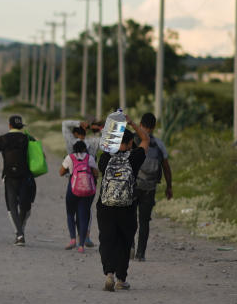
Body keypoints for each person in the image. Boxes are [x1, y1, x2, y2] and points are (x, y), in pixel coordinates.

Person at [96, 115, 149, 291]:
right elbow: (145, 139)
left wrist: (113, 128)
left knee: (107, 239)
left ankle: (109, 275)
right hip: (127, 207)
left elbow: (104, 145)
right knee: (124, 242)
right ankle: (121, 279)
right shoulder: (134, 158)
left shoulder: (104, 159)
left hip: (106, 207)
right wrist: (132, 122)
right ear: (128, 143)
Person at [0, 114, 36, 246]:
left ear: (9, 125)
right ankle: (20, 232)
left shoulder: (2, 139)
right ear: (21, 126)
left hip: (9, 176)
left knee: (12, 206)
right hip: (25, 176)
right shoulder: (27, 138)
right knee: (25, 207)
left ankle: (19, 235)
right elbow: (39, 155)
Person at [132, 112, 173, 262]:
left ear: (140, 124)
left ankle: (130, 246)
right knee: (144, 221)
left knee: (130, 218)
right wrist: (169, 187)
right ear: (154, 127)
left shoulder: (131, 140)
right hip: (149, 188)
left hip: (133, 185)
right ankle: (141, 254)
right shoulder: (159, 144)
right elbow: (166, 167)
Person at [60, 118, 103, 247]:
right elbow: (108, 140)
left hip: (74, 181)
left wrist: (79, 123)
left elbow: (64, 124)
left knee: (71, 211)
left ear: (75, 133)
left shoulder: (71, 142)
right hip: (90, 181)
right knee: (86, 210)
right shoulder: (94, 142)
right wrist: (100, 129)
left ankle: (73, 238)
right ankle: (86, 237)